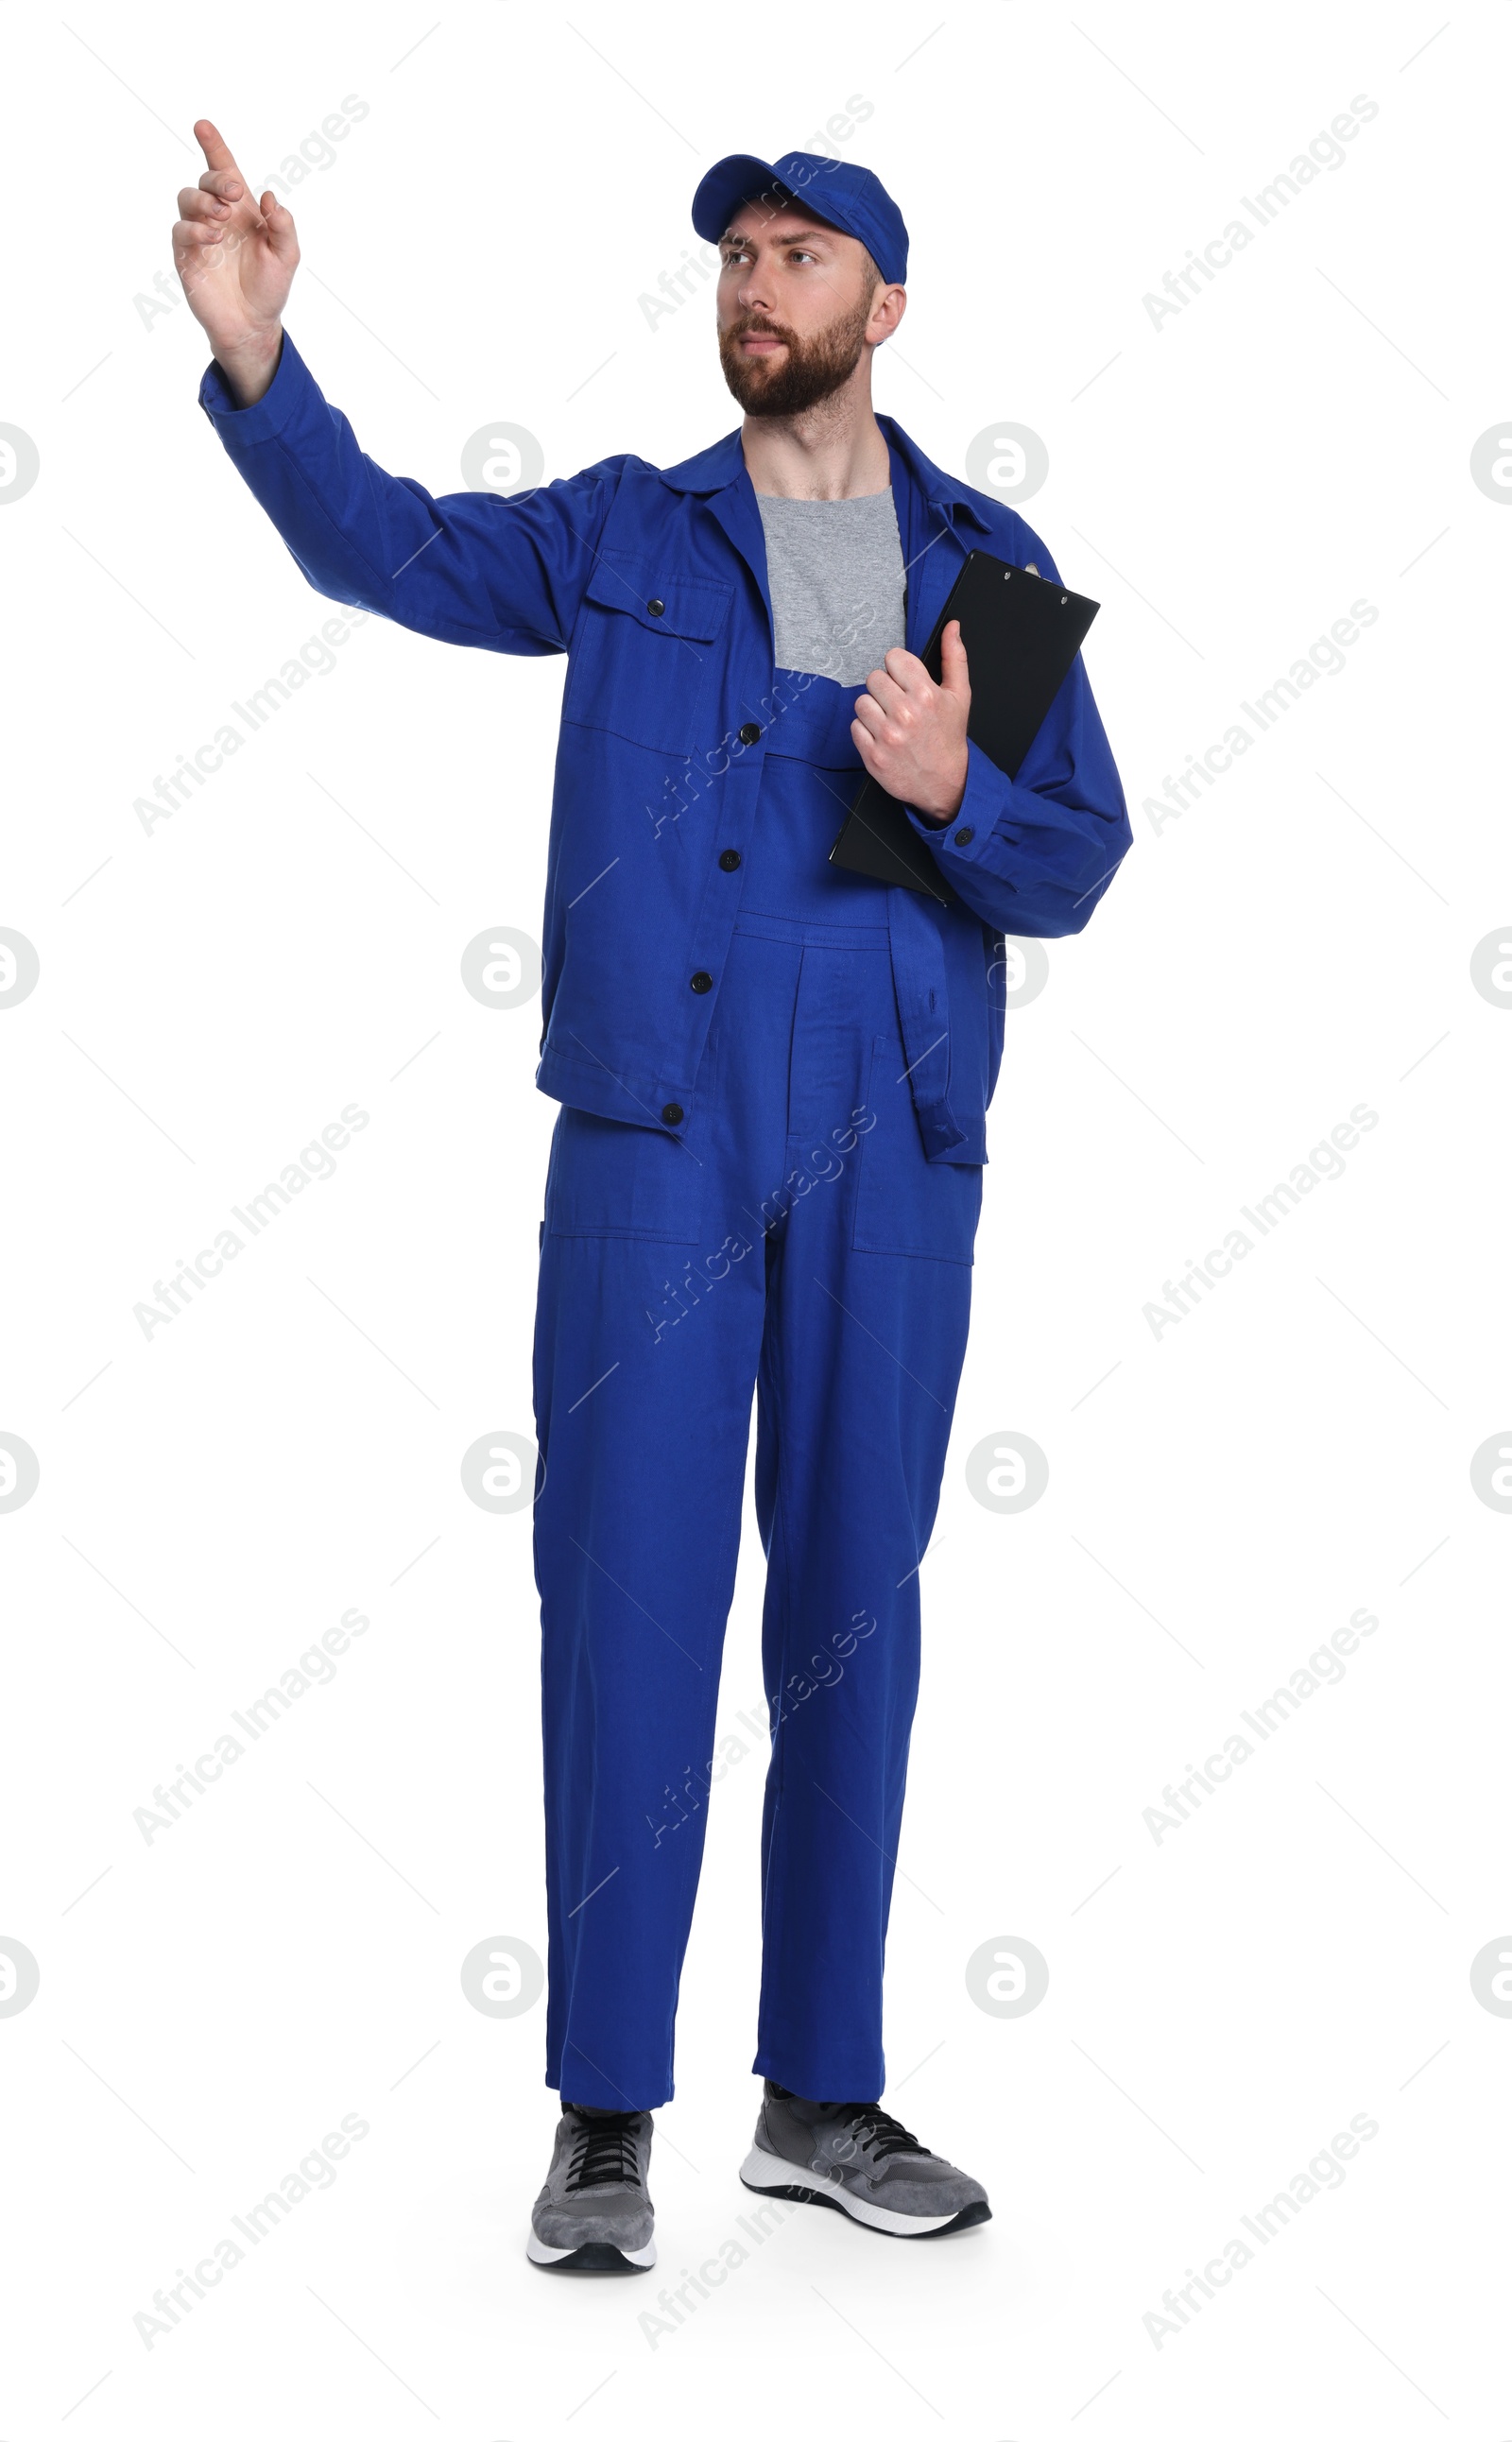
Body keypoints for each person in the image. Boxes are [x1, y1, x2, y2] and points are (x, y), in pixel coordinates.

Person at [173, 125, 1130, 2274]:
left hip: (886, 1136)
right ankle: (603, 2109)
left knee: (849, 1619)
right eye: (733, 258)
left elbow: (1076, 852)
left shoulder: (982, 566)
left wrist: (948, 785)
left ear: (883, 309)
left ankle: (820, 2094)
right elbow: (388, 550)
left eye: (800, 256)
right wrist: (260, 362)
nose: (752, 286)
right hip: (650, 1133)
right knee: (622, 1605)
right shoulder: (621, 530)